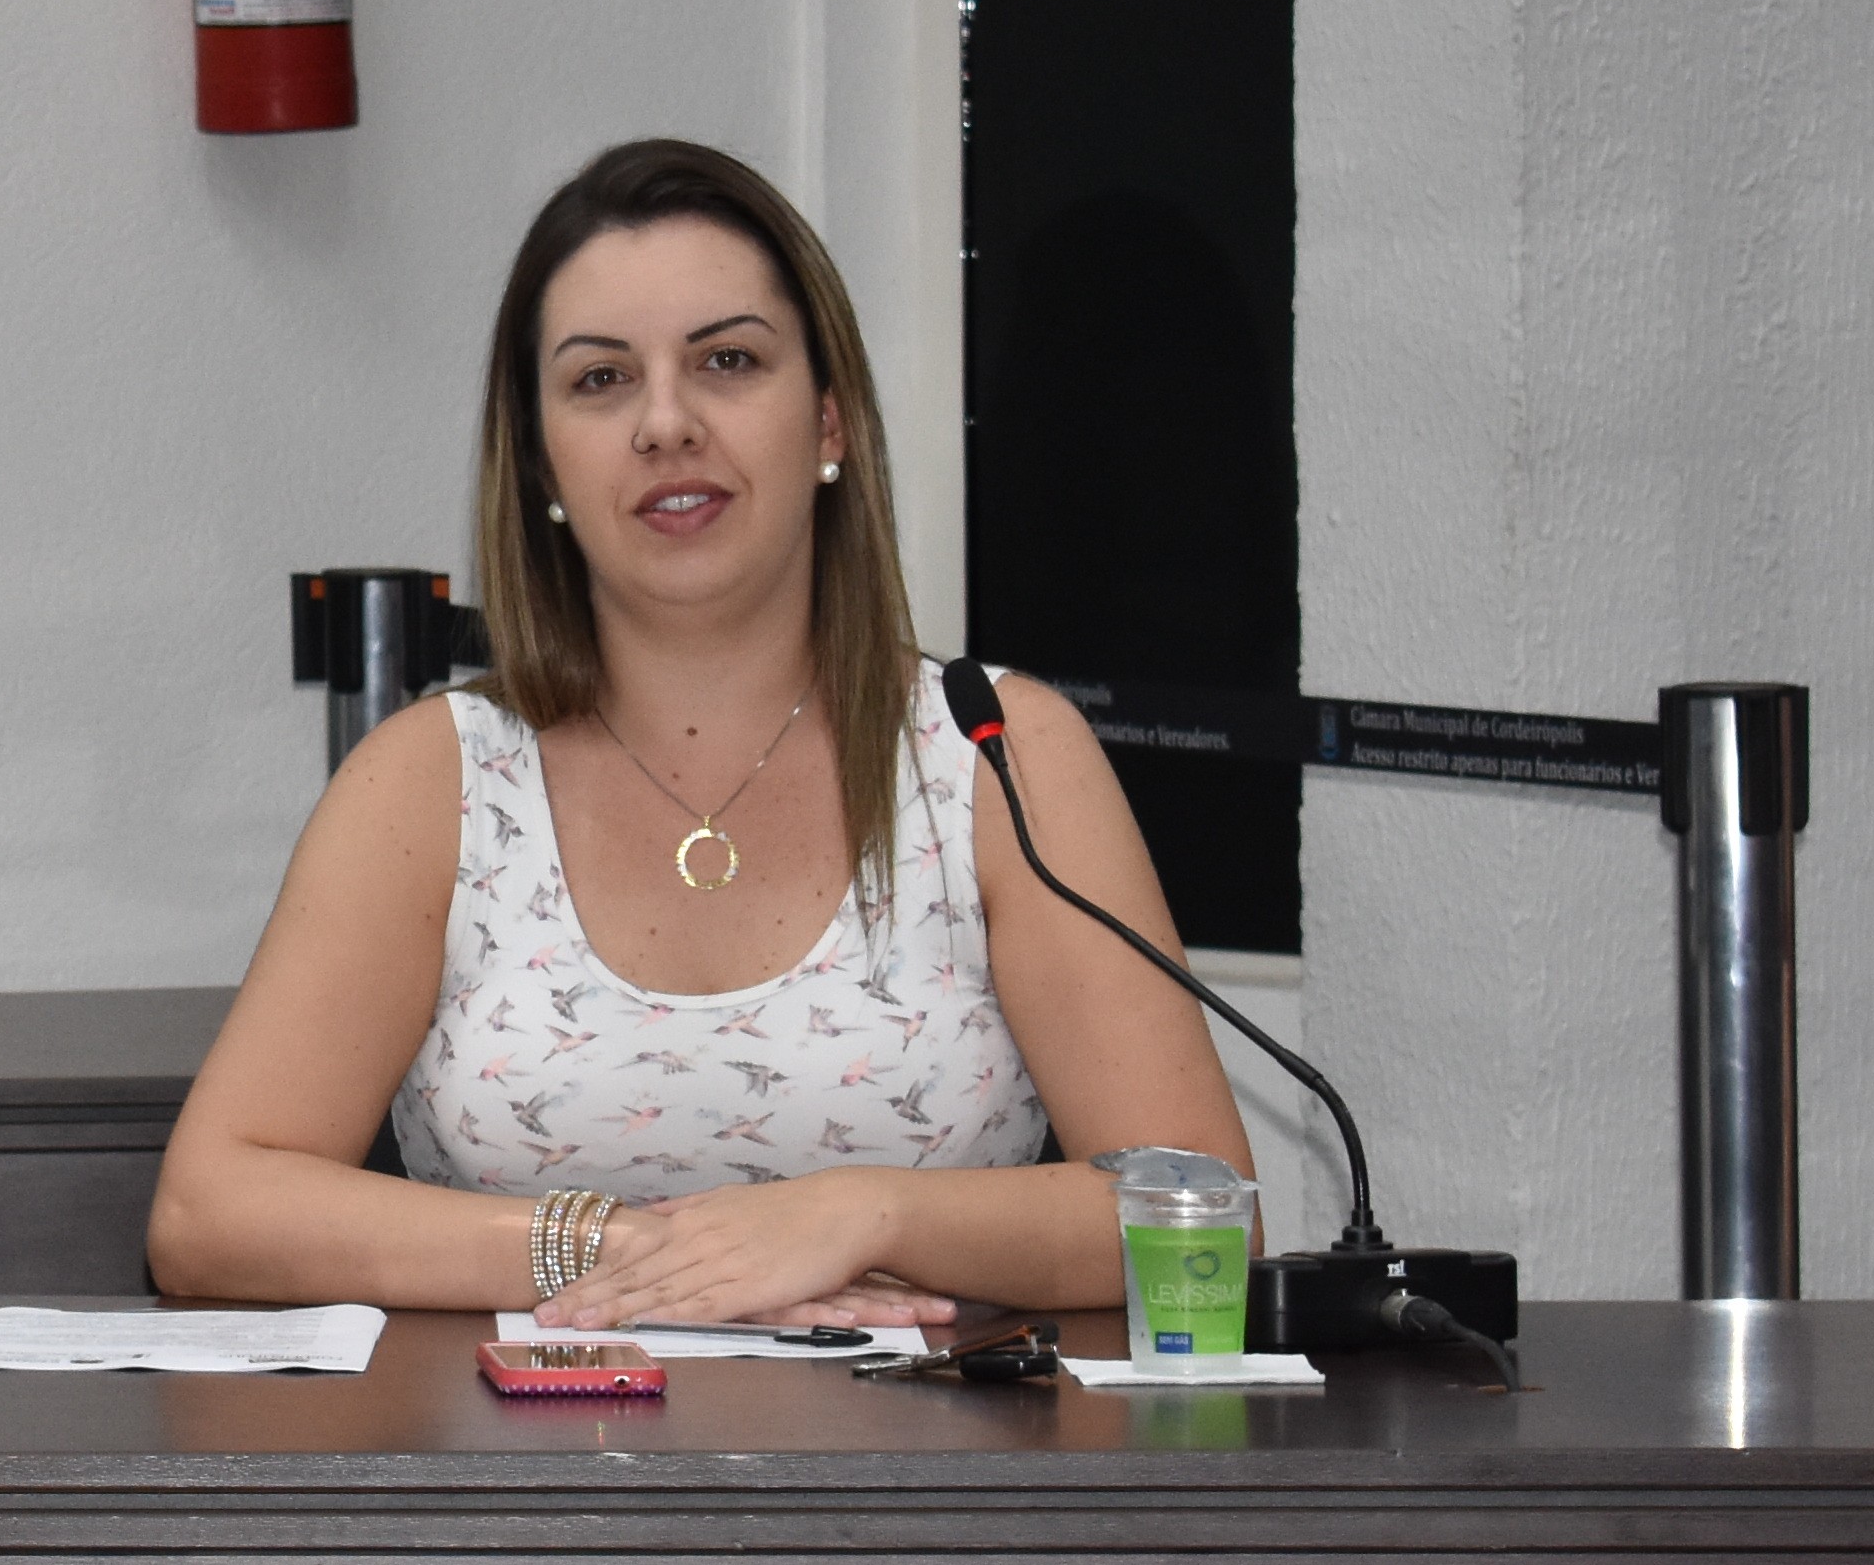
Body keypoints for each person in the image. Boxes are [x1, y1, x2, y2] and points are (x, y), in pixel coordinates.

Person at [145, 138, 1254, 1326]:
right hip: (529, 1441)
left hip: (925, 1443)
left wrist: (861, 1215)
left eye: (728, 360)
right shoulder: (431, 780)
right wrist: (627, 1252)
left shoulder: (997, 755)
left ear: (829, 422)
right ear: (541, 462)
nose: (666, 422)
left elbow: (1203, 1212)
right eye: (601, 379)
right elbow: (211, 1212)